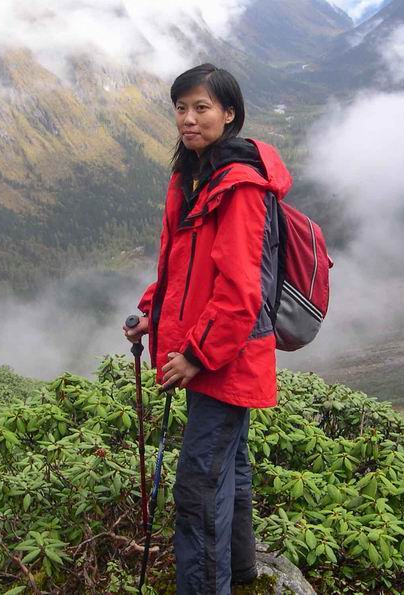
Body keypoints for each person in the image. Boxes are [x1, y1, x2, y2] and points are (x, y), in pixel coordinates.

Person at [123, 63, 291, 594]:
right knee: (228, 468)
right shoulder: (194, 176)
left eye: (202, 108)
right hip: (212, 351)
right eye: (181, 108)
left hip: (226, 358)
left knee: (197, 487)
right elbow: (182, 267)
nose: (189, 119)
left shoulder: (238, 187)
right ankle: (240, 572)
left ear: (229, 114)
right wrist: (153, 315)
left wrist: (196, 354)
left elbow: (241, 291)